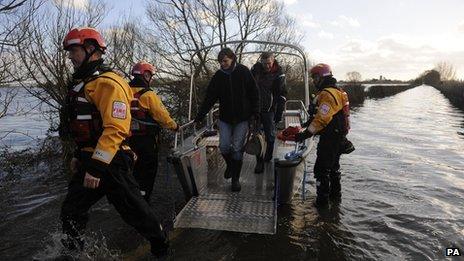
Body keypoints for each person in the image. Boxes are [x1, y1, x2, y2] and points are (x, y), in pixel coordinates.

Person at [59, 27, 169, 258]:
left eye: (74, 50)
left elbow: (116, 128)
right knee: (71, 210)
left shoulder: (109, 84)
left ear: (91, 49)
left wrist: (97, 167)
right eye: (69, 51)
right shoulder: (83, 84)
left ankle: (161, 244)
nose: (70, 56)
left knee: (134, 211)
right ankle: (73, 253)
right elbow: (86, 128)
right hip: (91, 158)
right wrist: (79, 156)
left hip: (110, 161)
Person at [194, 48, 259, 192]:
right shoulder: (218, 76)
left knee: (236, 149)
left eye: (225, 61)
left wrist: (256, 112)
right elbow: (210, 98)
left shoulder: (243, 71)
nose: (222, 64)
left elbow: (254, 92)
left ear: (232, 59)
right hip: (225, 118)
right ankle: (230, 166)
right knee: (223, 146)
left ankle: (235, 180)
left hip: (242, 117)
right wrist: (200, 115)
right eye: (220, 62)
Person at [295, 63, 350, 208]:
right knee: (333, 168)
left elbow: (322, 118)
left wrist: (305, 134)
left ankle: (322, 203)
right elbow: (323, 115)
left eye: (315, 77)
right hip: (338, 137)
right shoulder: (338, 91)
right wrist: (307, 124)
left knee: (321, 169)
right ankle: (336, 199)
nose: (314, 80)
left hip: (331, 138)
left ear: (322, 77)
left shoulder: (327, 94)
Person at [128, 61, 178, 203]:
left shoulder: (123, 91)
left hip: (128, 140)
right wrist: (175, 126)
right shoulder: (149, 95)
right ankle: (143, 198)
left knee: (134, 168)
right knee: (148, 169)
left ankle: (133, 195)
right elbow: (162, 116)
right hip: (147, 140)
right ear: (146, 75)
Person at [250, 52, 287, 173]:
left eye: (269, 63)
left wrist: (279, 112)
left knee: (270, 136)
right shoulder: (255, 71)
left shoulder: (279, 74)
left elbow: (282, 95)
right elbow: (248, 88)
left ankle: (268, 156)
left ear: (273, 61)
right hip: (256, 109)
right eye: (265, 63)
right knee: (257, 136)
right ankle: (259, 162)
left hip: (270, 109)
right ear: (261, 62)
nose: (267, 66)